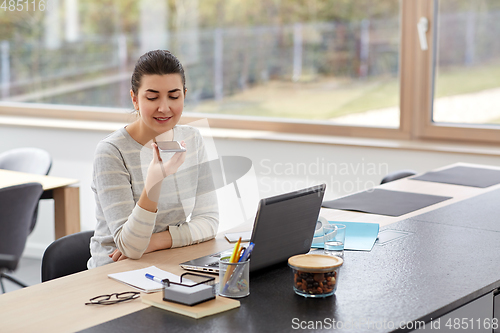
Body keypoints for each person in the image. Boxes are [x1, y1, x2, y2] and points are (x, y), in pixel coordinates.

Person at [88, 50, 219, 268]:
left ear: (184, 95)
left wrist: (154, 241)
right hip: (115, 270)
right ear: (135, 99)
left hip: (167, 261)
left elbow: (209, 221)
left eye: (174, 96)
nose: (164, 107)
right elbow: (129, 247)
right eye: (152, 97)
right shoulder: (111, 152)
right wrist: (153, 183)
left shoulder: (191, 138)